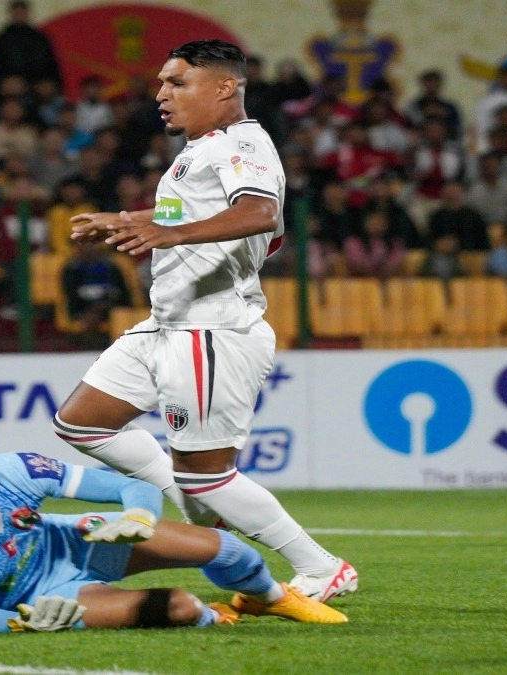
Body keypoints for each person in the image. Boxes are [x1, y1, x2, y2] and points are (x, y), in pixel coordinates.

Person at [64, 40, 356, 601]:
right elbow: (187, 210)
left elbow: (260, 211)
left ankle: (321, 567)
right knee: (82, 424)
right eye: (161, 83)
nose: (161, 95)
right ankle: (198, 501)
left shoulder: (243, 143)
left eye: (176, 83)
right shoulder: (202, 149)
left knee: (206, 477)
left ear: (225, 87)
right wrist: (125, 219)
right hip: (168, 322)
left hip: (211, 329)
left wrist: (170, 234)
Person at [0, 424, 347, 633]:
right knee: (182, 609)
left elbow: (127, 486)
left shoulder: (14, 470)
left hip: (70, 542)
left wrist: (138, 518)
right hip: (46, 598)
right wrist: (22, 623)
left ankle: (269, 598)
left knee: (225, 547)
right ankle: (214, 616)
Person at [0, 1, 61, 100]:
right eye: (16, 13)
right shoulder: (2, 40)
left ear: (27, 14)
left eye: (22, 13)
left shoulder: (40, 38)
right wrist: (3, 86)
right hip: (13, 91)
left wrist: (50, 84)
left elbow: (52, 64)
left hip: (39, 89)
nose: (19, 16)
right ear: (11, 15)